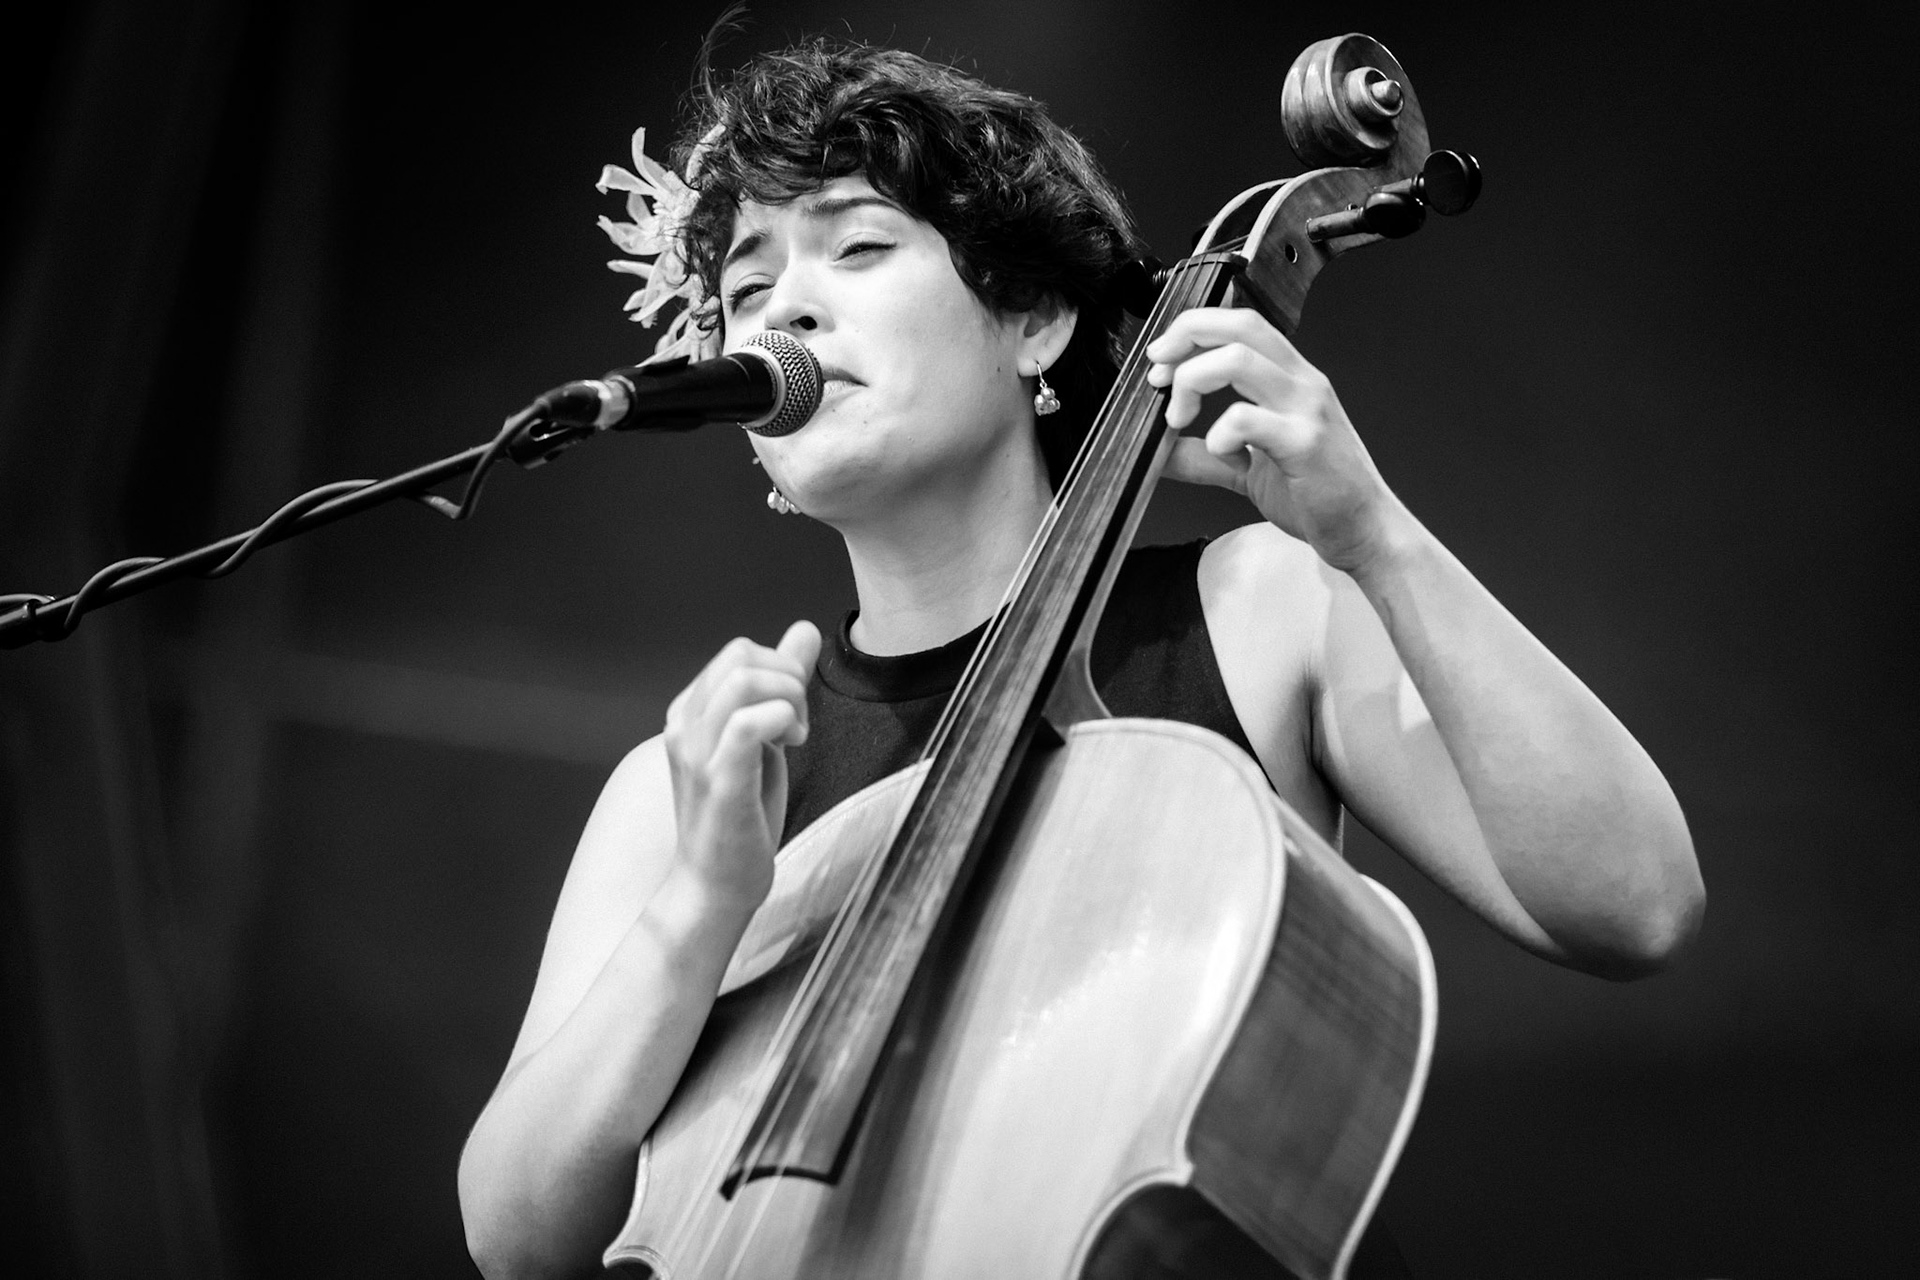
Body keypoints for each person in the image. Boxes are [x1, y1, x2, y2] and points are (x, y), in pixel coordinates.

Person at [456, 39, 1704, 1279]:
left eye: (858, 246)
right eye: (746, 285)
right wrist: (698, 914)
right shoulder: (691, 782)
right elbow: (515, 1239)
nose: (782, 305)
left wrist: (1371, 534)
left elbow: (1634, 900)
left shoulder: (1256, 608)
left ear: (1035, 320)